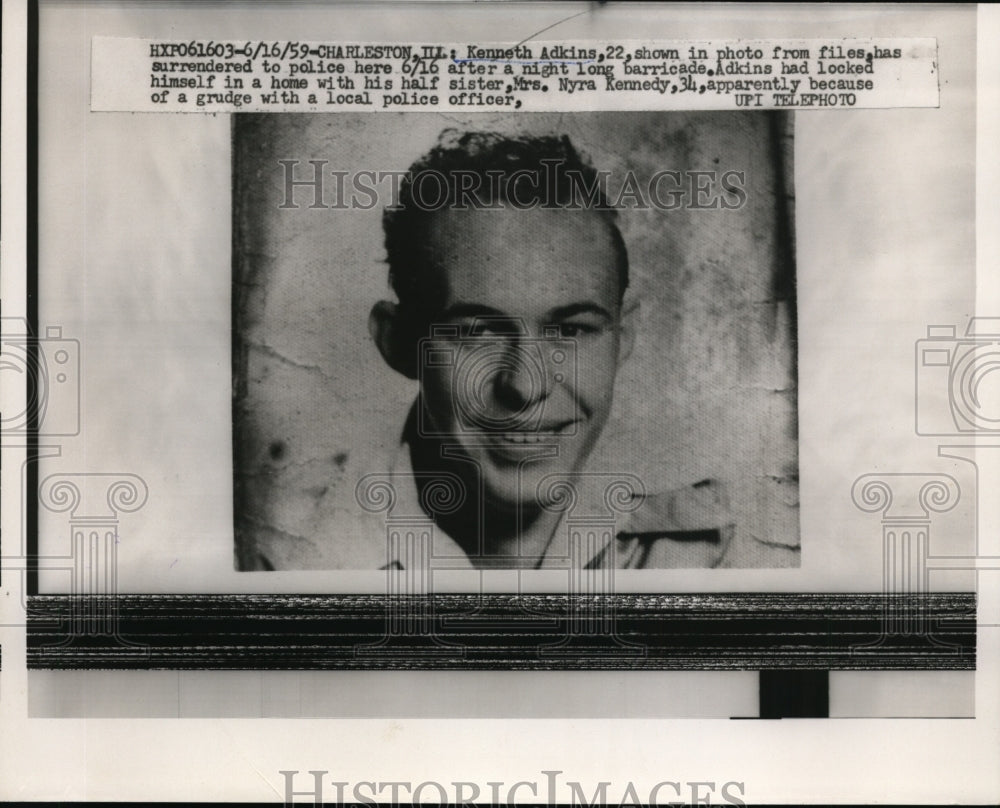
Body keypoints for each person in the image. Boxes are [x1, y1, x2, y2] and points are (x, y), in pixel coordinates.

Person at [248, 129, 738, 571]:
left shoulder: (719, 554)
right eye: (475, 333)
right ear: (399, 343)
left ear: (622, 339)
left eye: (569, 331)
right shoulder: (278, 560)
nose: (525, 385)